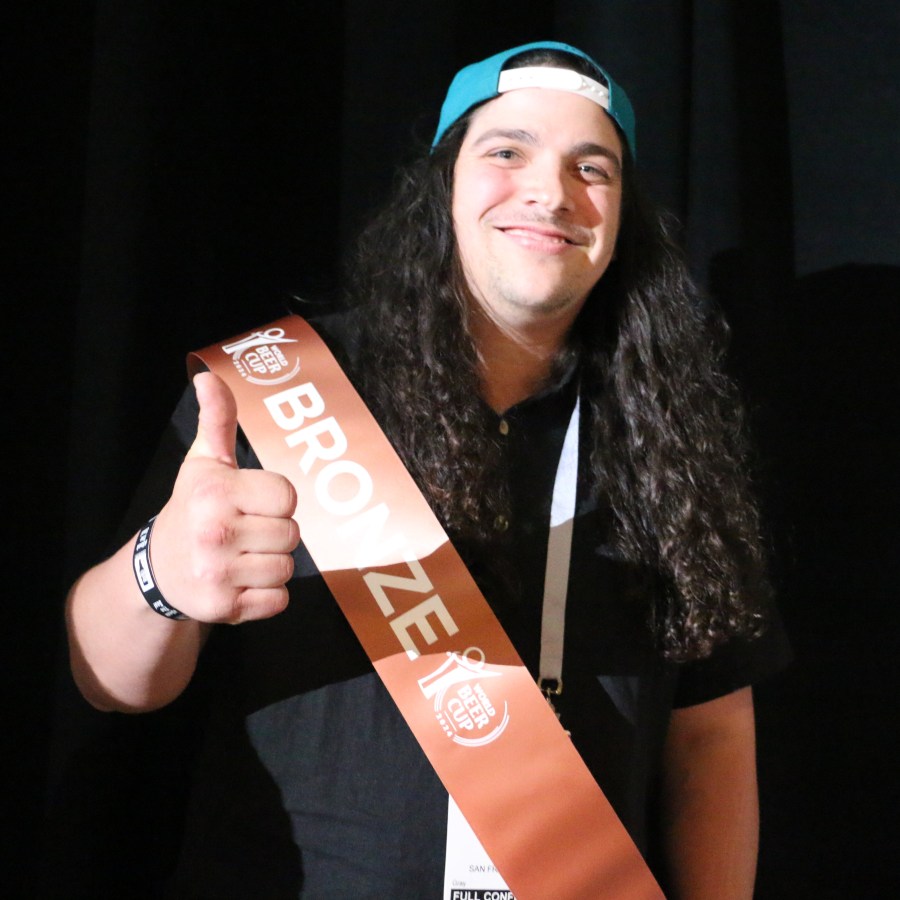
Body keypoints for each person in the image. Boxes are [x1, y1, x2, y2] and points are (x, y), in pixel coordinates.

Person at [65, 41, 790, 898]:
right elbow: (108, 684)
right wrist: (163, 574)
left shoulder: (673, 429)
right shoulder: (287, 387)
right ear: (443, 184)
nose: (550, 193)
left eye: (590, 167)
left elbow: (709, 735)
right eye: (506, 151)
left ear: (623, 213)